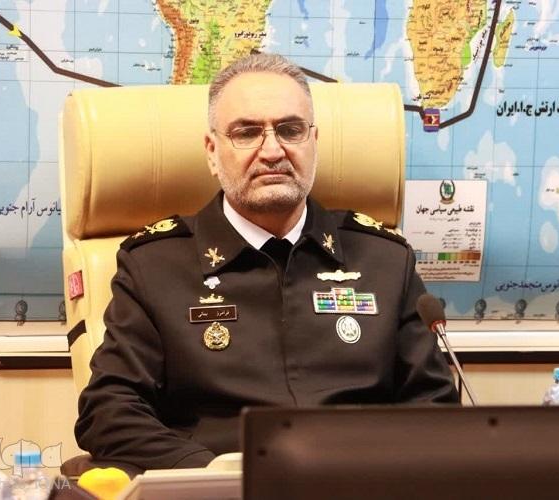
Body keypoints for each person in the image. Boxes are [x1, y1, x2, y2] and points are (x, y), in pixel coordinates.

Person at [74, 53, 459, 472]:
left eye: (290, 130)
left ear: (314, 141)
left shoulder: (386, 260)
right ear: (212, 151)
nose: (272, 151)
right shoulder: (154, 266)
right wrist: (210, 474)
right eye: (247, 133)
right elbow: (109, 411)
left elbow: (435, 405)